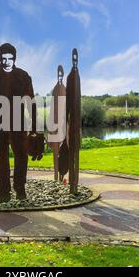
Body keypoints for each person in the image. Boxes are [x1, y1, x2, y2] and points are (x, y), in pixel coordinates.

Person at [0, 43, 41, 202]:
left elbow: (31, 102)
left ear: (15, 58)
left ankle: (20, 188)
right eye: (4, 58)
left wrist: (34, 127)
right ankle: (4, 191)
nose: (7, 61)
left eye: (10, 58)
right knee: (1, 157)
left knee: (22, 156)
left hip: (19, 122)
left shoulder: (23, 76)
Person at [66, 48, 81, 194]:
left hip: (77, 126)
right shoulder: (71, 77)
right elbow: (68, 104)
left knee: (77, 152)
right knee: (72, 154)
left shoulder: (77, 75)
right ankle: (72, 184)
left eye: (77, 58)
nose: (75, 60)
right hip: (72, 126)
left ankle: (75, 183)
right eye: (74, 58)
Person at [48, 65, 67, 181]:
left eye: (61, 74)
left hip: (64, 124)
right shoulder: (55, 90)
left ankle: (62, 176)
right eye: (58, 74)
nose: (60, 76)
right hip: (55, 125)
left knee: (65, 151)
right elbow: (51, 111)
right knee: (55, 152)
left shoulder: (65, 89)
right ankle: (56, 177)